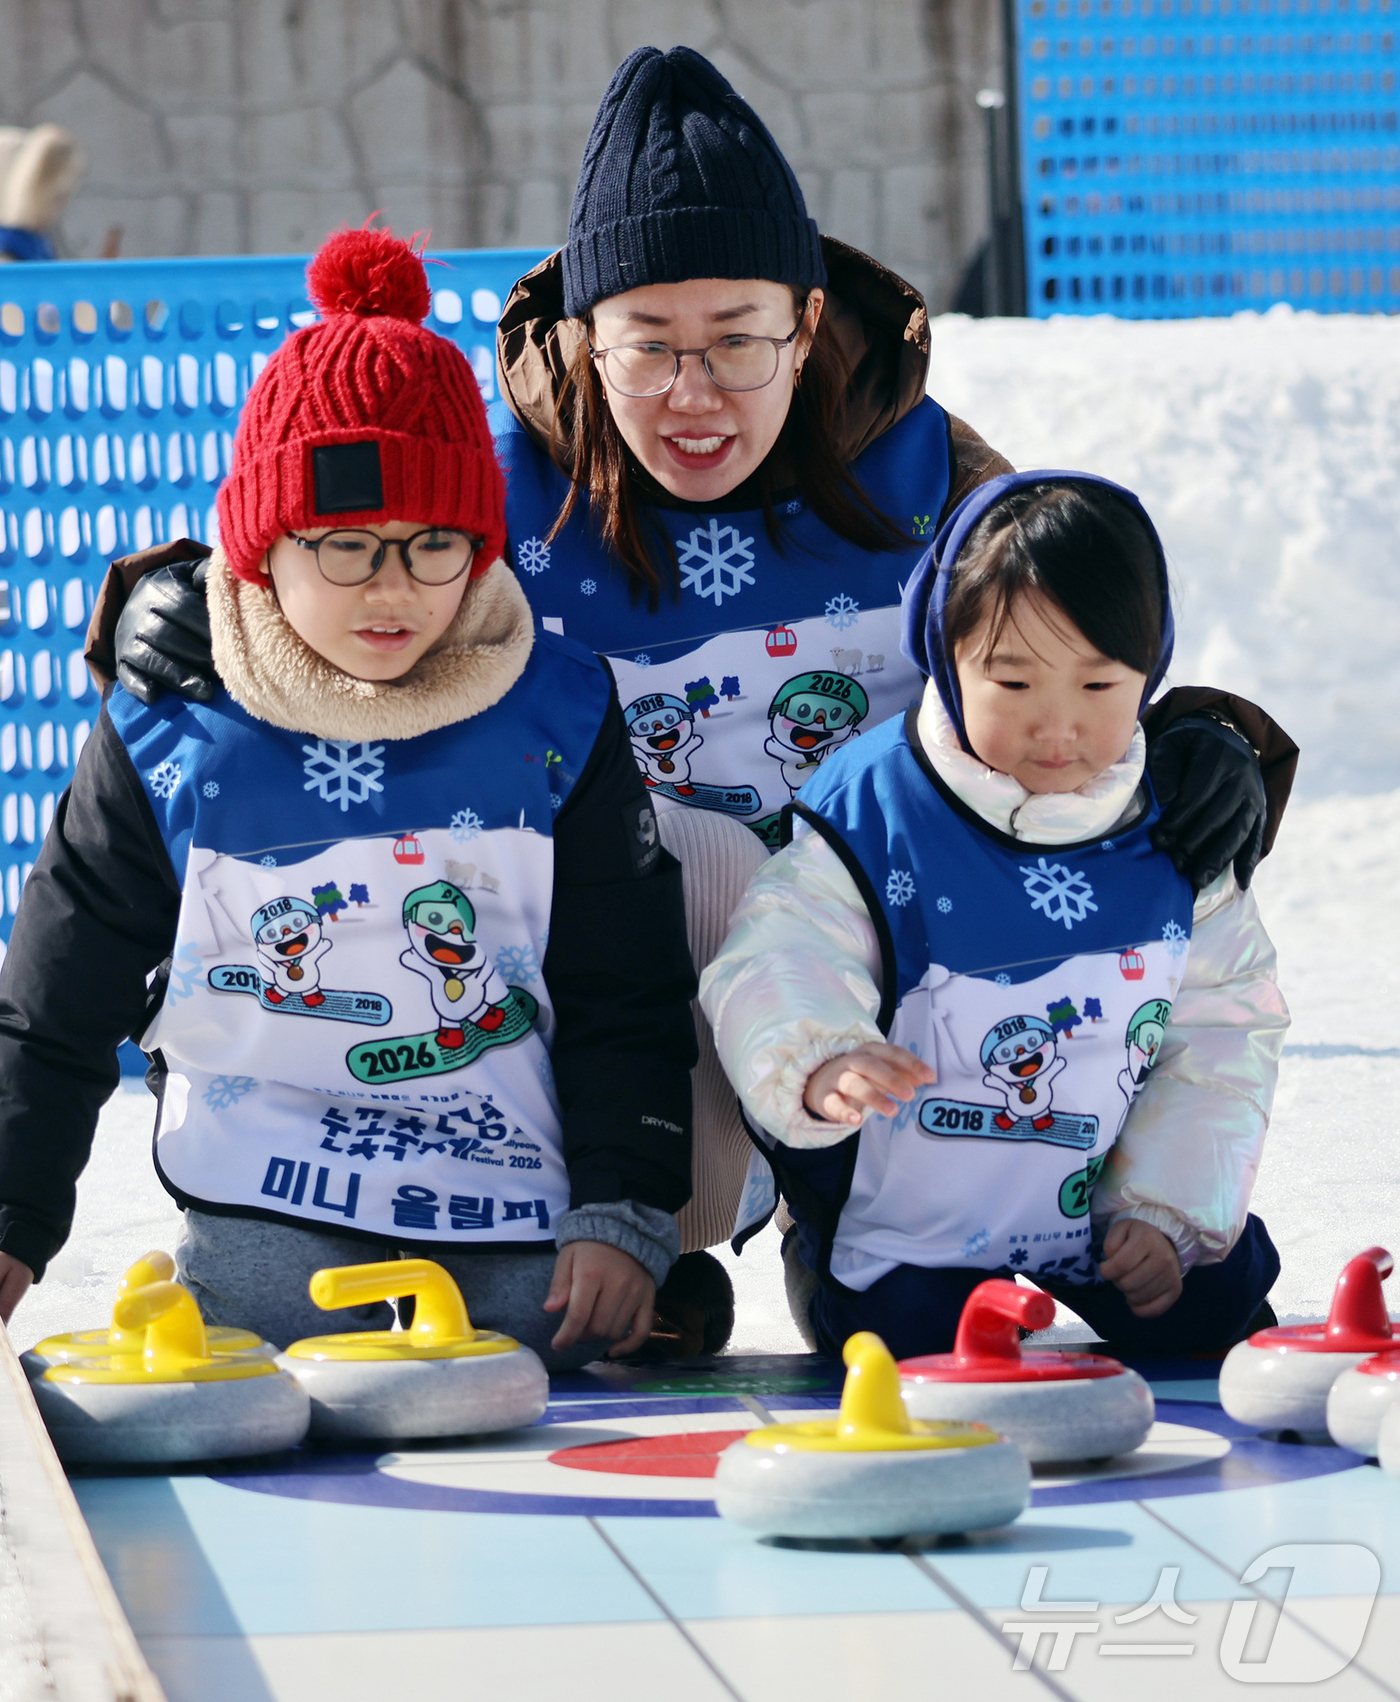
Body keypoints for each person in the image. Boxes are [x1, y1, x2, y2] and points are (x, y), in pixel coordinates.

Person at [87, 48, 1294, 1348]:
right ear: (581, 339)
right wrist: (177, 601)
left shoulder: (914, 467)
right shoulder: (508, 481)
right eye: (649, 347)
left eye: (738, 342)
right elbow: (322, 559)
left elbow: (1064, 621)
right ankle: (598, 1225)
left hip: (877, 944)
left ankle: (901, 1219)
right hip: (593, 950)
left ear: (806, 321)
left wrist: (1199, 740)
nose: (696, 394)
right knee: (673, 862)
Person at [0, 228, 698, 1367]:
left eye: (432, 545)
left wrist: (623, 1207)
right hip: (270, 1174)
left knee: (536, 1331)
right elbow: (56, 993)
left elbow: (622, 983)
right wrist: (12, 1219)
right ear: (263, 546)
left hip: (496, 1179)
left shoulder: (552, 714)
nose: (391, 590)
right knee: (251, 1326)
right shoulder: (178, 723)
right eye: (343, 548)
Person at [700, 473, 1289, 1359]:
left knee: (1211, 1310)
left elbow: (1222, 1032)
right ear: (944, 655)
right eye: (1013, 682)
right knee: (912, 1337)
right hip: (914, 1211)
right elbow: (782, 947)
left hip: (1092, 1193)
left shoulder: (1175, 825)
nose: (1058, 729)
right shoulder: (879, 807)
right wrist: (818, 1058)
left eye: (1099, 686)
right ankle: (823, 1257)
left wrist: (1165, 1211)